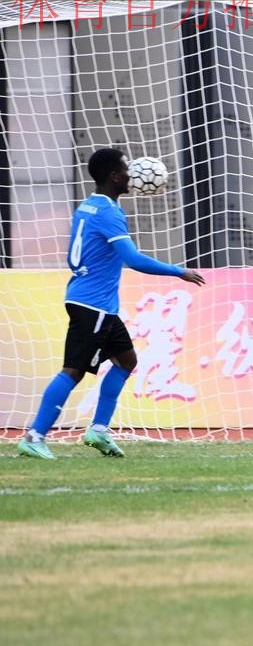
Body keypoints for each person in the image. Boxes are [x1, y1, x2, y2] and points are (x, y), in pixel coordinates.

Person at [17, 148, 206, 460]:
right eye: (126, 169)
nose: (132, 174)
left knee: (127, 361)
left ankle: (99, 430)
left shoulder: (89, 206)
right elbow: (132, 259)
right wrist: (178, 271)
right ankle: (35, 436)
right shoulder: (109, 213)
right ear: (115, 176)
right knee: (73, 371)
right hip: (93, 305)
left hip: (94, 302)